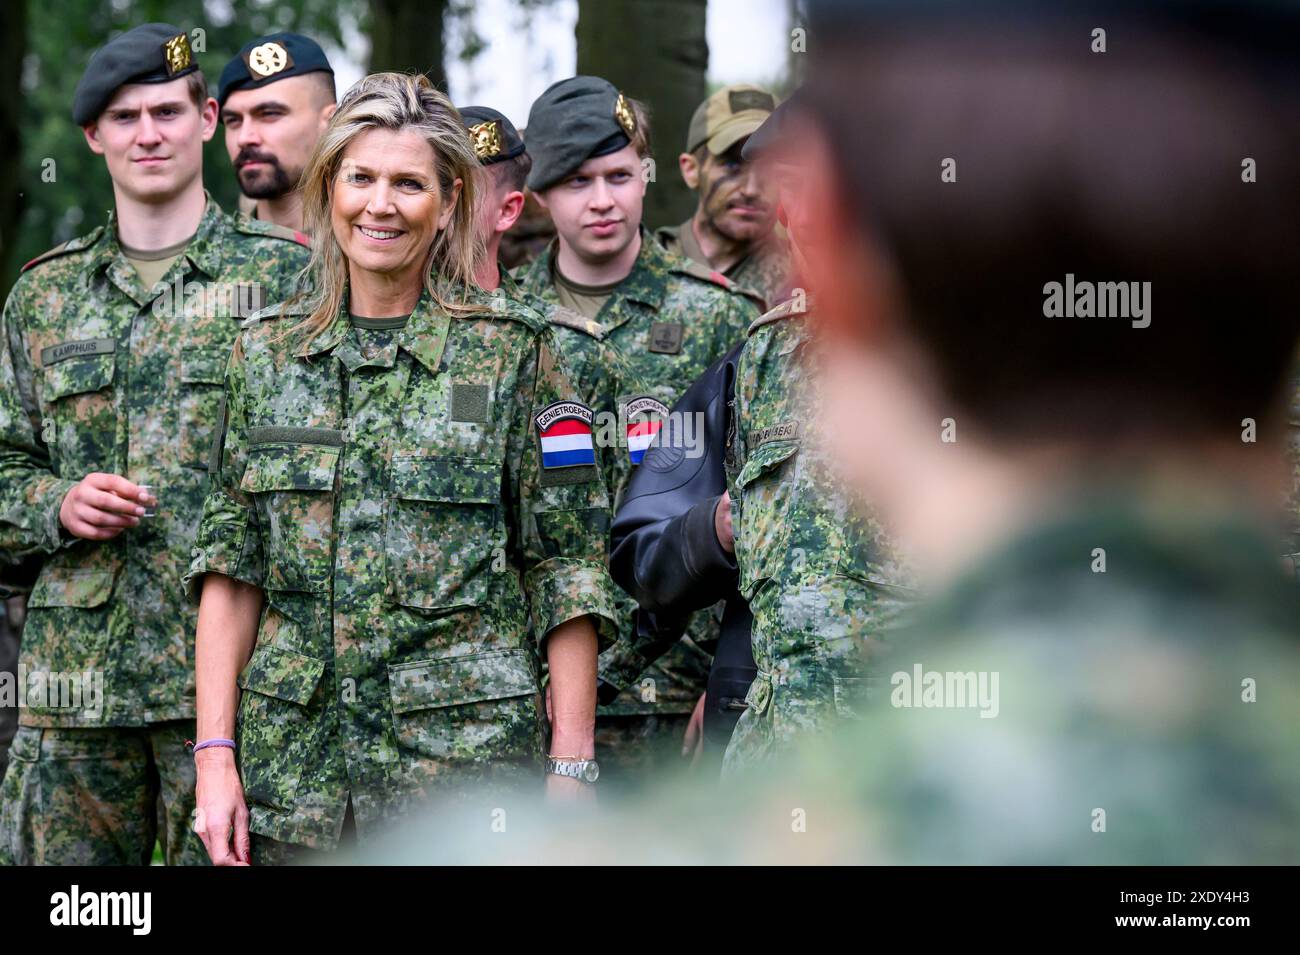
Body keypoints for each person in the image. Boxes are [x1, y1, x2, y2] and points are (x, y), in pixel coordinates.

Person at [185, 72, 620, 865]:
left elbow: (568, 569)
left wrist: (571, 766)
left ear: (449, 202)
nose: (380, 205)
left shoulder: (520, 353)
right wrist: (215, 756)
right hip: (297, 782)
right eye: (361, 177)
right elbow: (231, 565)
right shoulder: (260, 355)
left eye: (409, 183)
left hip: (466, 780)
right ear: (329, 186)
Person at [0, 23, 310, 866]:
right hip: (76, 697)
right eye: (126, 116)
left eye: (169, 111)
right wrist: (53, 501)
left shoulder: (291, 278)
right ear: (93, 137)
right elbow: (3, 462)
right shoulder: (45, 297)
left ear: (208, 119)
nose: (149, 133)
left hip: (237, 691)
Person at [514, 75, 762, 778]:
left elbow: (757, 508)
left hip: (678, 689)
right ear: (537, 193)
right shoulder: (504, 327)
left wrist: (729, 673)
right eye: (577, 181)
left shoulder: (724, 319)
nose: (602, 200)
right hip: (537, 691)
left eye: (620, 175)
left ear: (648, 177)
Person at [655, 85, 791, 310]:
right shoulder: (643, 267)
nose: (751, 189)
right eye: (731, 165)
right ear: (691, 170)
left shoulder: (807, 280)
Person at [218, 32, 337, 231]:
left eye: (269, 114)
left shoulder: (371, 254)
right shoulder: (210, 257)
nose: (245, 138)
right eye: (233, 120)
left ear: (330, 123)